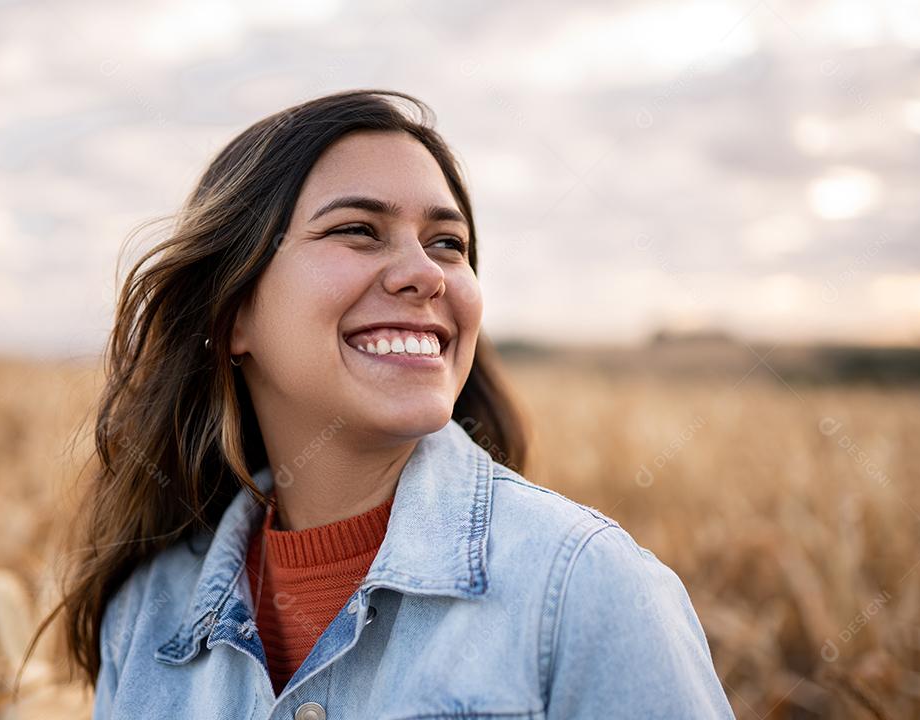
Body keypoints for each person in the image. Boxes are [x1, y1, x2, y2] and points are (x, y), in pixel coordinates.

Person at [37, 89, 734, 719]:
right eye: (359, 230)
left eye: (447, 244)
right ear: (234, 311)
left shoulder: (588, 587)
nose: (426, 274)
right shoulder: (147, 610)